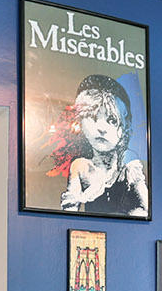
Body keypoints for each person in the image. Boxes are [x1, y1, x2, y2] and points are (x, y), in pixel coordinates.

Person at [56, 75, 149, 217]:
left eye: (112, 120)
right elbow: (69, 209)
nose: (101, 128)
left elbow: (145, 207)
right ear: (80, 122)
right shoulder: (81, 166)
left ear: (124, 126)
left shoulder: (129, 164)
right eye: (93, 117)